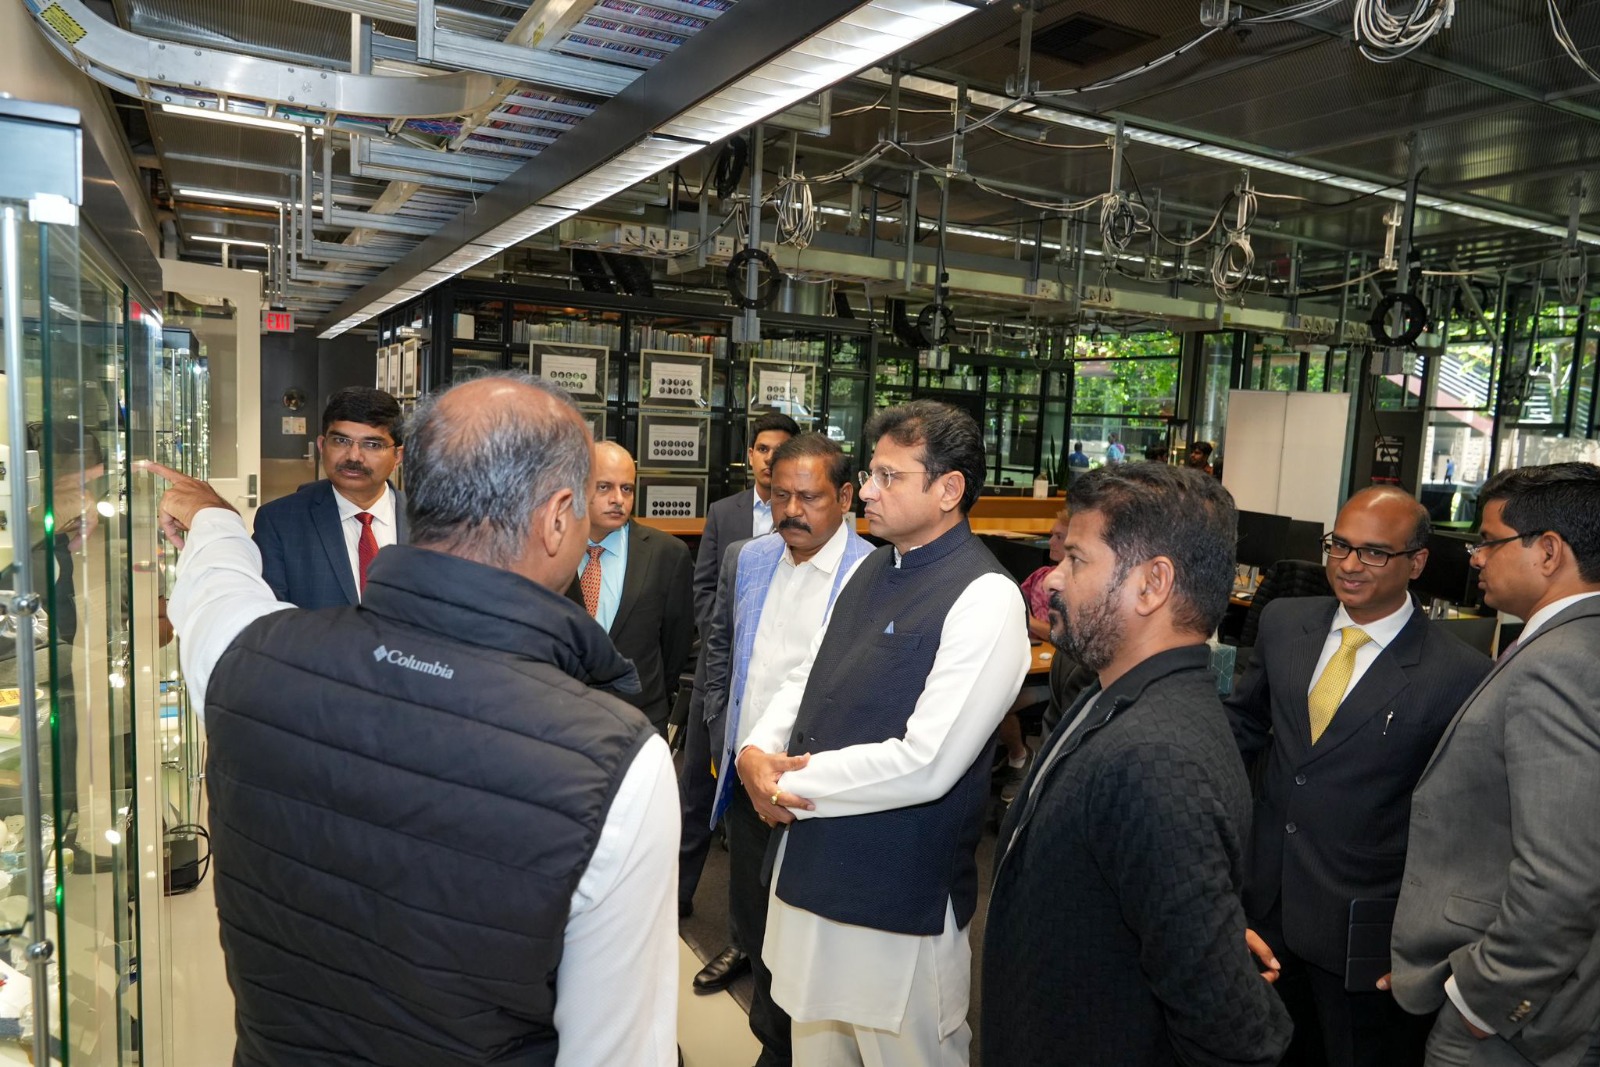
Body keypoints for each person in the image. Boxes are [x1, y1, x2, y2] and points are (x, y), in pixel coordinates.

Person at [154, 374, 679, 1066]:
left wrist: (215, 518)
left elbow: (217, 592)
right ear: (557, 517)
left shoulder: (248, 662)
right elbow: (616, 1052)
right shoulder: (616, 766)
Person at [737, 399, 1029, 1067]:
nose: (866, 490)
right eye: (870, 473)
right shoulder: (873, 566)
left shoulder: (985, 596)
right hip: (812, 876)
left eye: (889, 477)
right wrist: (754, 749)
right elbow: (807, 675)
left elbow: (926, 761)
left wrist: (787, 778)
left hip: (897, 905)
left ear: (949, 489)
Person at [983, 463, 1292, 1067]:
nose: (1053, 583)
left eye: (1077, 560)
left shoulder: (1157, 755)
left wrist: (1211, 955)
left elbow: (1235, 1033)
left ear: (1152, 584)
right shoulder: (1116, 691)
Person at [1227, 486, 1491, 1067]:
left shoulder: (1460, 674)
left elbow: (1462, 827)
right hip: (1261, 907)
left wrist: (1431, 944)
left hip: (1365, 937)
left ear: (1416, 563)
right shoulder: (1282, 621)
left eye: (1374, 553)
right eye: (1340, 545)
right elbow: (1244, 729)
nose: (1348, 564)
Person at [1389, 462, 1600, 1067]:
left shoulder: (1561, 663)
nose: (1475, 557)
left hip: (1518, 1023)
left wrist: (1484, 997)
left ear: (1550, 551)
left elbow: (1563, 875)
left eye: (1488, 540)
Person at [700, 433, 874, 1067]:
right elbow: (720, 647)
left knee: (806, 942)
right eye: (779, 496)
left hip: (813, 793)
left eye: (809, 497)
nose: (791, 510)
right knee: (753, 922)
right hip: (747, 780)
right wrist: (725, 733)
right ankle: (772, 1045)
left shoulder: (871, 574)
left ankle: (792, 1050)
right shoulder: (747, 559)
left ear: (846, 496)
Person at [680, 410, 801, 928]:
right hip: (721, 669)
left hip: (778, 680)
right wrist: (726, 635)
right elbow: (704, 586)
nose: (770, 458)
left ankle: (745, 933)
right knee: (695, 794)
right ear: (750, 456)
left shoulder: (814, 519)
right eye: (762, 448)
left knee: (760, 809)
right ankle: (676, 899)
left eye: (781, 449)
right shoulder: (724, 512)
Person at [565, 441, 694, 735]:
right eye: (604, 487)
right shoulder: (551, 549)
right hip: (564, 719)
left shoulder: (667, 554)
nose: (618, 499)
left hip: (640, 720)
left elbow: (676, 647)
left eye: (627, 489)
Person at [252, 386, 408, 610]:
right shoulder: (280, 523)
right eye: (341, 441)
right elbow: (268, 620)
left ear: (397, 456)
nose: (354, 456)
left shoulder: (430, 523)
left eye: (372, 444)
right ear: (322, 446)